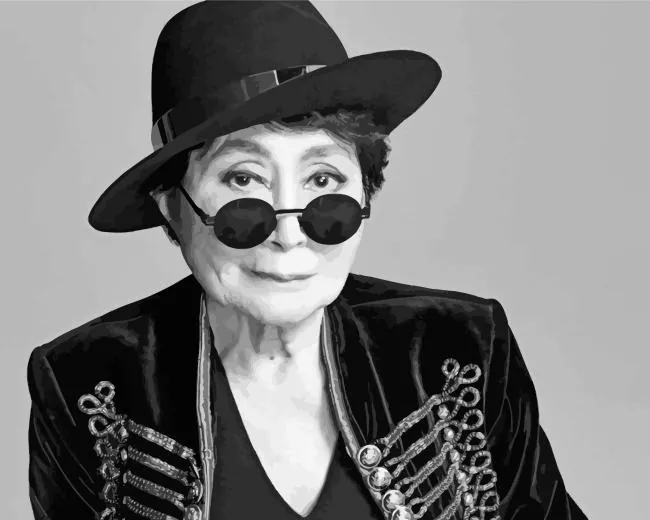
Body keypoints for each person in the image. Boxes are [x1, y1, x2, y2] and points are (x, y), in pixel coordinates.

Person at [26, 2, 588, 520]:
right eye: (243, 180)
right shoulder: (85, 382)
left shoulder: (462, 346)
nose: (289, 235)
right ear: (172, 206)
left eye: (323, 181)